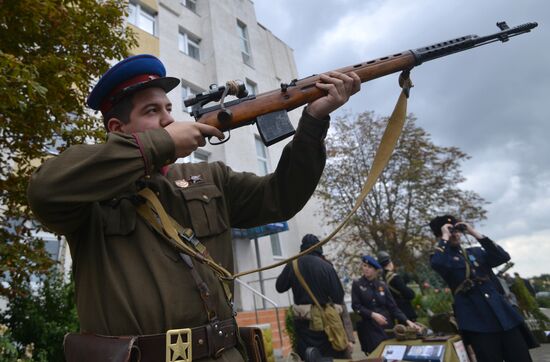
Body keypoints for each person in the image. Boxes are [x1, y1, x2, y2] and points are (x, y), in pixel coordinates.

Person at [27, 54, 360, 361]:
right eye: (152, 111)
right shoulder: (89, 192)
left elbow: (280, 197)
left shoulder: (208, 176)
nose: (168, 119)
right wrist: (164, 143)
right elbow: (44, 189)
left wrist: (314, 121)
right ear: (117, 130)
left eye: (168, 109)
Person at [429, 215, 537, 362]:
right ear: (440, 235)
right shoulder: (442, 257)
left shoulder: (475, 252)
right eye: (450, 231)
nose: (455, 234)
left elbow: (502, 256)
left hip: (503, 315)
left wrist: (473, 232)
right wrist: (445, 236)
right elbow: (438, 264)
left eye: (456, 230)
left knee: (521, 357)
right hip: (477, 320)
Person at [275, 234, 355, 360]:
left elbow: (280, 287)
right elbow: (338, 296)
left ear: (302, 248)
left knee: (308, 356)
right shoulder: (327, 266)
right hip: (326, 323)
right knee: (328, 356)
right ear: (319, 248)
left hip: (303, 322)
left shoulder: (293, 264)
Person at [351, 255, 419, 355]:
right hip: (370, 328)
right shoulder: (357, 284)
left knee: (392, 355)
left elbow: (393, 307)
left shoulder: (382, 285)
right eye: (364, 265)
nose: (366, 269)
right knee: (378, 355)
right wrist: (372, 314)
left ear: (376, 270)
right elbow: (356, 306)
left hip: (386, 328)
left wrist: (407, 321)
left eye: (369, 267)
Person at [377, 250, 418, 322]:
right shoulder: (394, 277)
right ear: (390, 263)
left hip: (394, 310)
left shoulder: (382, 278)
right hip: (405, 310)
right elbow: (409, 294)